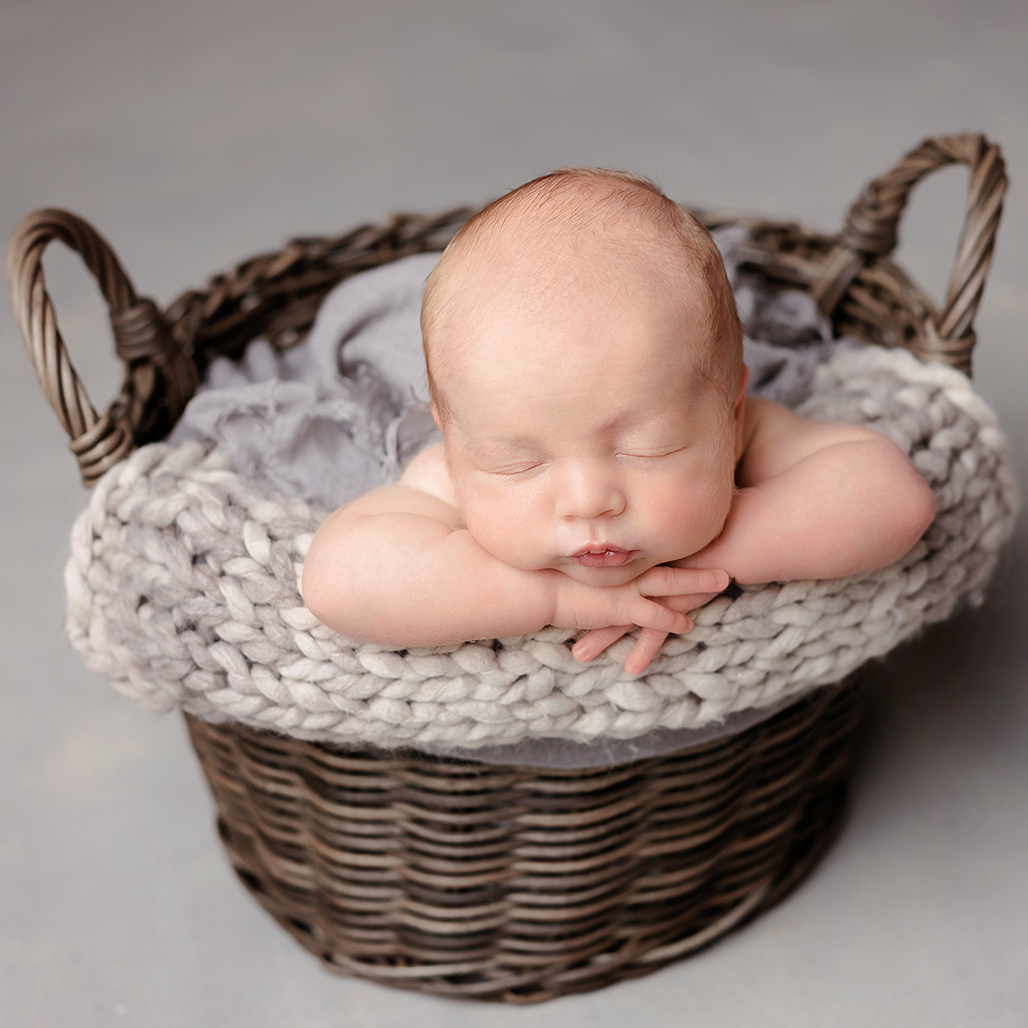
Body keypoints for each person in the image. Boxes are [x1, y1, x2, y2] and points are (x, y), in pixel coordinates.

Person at [302, 168, 936, 675]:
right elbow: (341, 583)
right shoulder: (451, 470)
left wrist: (714, 560)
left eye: (647, 446)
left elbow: (893, 497)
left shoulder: (745, 431)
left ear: (731, 412)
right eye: (519, 462)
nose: (588, 501)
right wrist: (556, 600)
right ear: (451, 436)